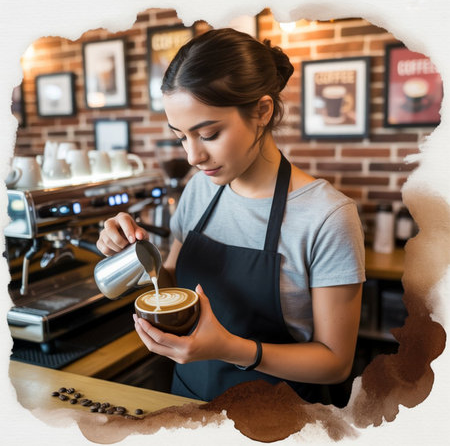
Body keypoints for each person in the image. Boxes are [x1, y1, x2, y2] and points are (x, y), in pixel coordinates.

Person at [96, 28, 365, 404]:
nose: (193, 156)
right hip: (189, 401)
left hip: (281, 418)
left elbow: (335, 362)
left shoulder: (326, 216)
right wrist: (130, 254)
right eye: (180, 137)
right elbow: (171, 281)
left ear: (262, 111)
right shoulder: (199, 189)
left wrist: (230, 348)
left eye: (207, 133)